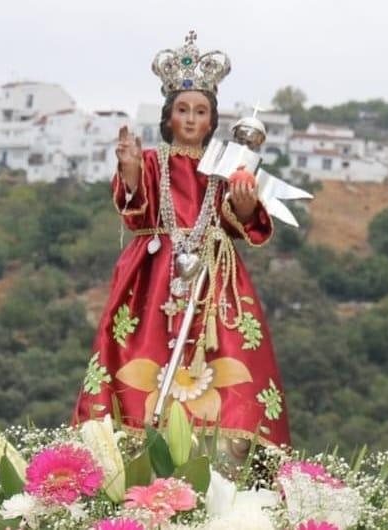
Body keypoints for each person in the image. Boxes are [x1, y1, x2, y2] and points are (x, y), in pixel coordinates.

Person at [74, 31, 291, 448]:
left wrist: (244, 206)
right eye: (183, 110)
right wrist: (133, 171)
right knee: (141, 358)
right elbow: (135, 210)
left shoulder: (226, 169)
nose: (191, 119)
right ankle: (130, 445)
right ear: (168, 116)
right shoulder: (154, 161)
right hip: (153, 279)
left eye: (200, 112)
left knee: (229, 375)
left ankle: (225, 455)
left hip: (215, 283)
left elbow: (243, 223)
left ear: (212, 121)